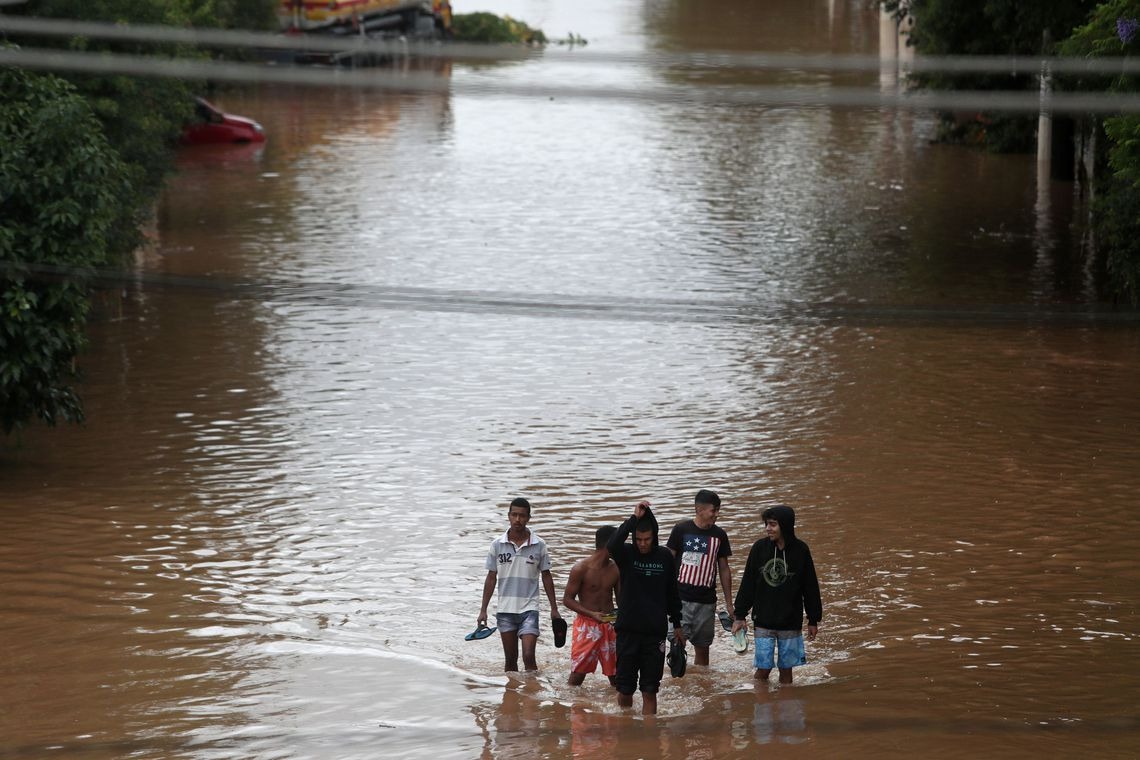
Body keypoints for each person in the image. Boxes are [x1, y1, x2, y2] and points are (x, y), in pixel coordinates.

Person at [606, 500, 684, 715]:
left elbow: (672, 593)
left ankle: (650, 738)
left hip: (654, 634)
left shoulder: (665, 557)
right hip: (627, 632)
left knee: (650, 690)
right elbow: (612, 545)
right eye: (638, 539)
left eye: (647, 539)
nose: (642, 544)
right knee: (625, 689)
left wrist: (677, 624)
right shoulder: (627, 554)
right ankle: (625, 732)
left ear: (655, 536)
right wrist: (633, 519)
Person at [732, 504, 822, 685]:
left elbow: (810, 587)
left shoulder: (801, 550)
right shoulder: (759, 548)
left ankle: (786, 708)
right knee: (763, 668)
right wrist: (739, 615)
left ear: (785, 526)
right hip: (763, 620)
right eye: (766, 524)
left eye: (772, 524)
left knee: (786, 670)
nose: (768, 529)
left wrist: (813, 619)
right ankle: (760, 706)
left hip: (790, 621)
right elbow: (748, 583)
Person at [478, 497, 563, 672]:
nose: (518, 519)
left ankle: (532, 695)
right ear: (508, 516)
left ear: (528, 518)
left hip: (529, 609)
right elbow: (491, 577)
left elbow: (546, 576)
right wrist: (483, 610)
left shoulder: (539, 545)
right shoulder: (497, 544)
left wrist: (554, 608)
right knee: (510, 660)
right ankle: (513, 696)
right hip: (505, 610)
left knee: (528, 656)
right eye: (514, 515)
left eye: (522, 516)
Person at [666, 488, 733, 667]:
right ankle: (678, 685)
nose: (716, 514)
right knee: (677, 646)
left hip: (706, 602)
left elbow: (724, 569)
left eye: (718, 510)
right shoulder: (681, 529)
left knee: (703, 649)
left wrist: (729, 604)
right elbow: (666, 561)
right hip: (680, 600)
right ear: (699, 510)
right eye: (714, 510)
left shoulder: (719, 535)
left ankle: (702, 687)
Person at [561, 525, 621, 686]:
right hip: (587, 625)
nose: (622, 546)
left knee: (617, 676)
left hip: (609, 624)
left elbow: (621, 600)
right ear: (609, 544)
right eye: (619, 542)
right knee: (577, 675)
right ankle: (573, 708)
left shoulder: (616, 568)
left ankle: (619, 710)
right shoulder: (581, 568)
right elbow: (567, 599)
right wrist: (591, 614)